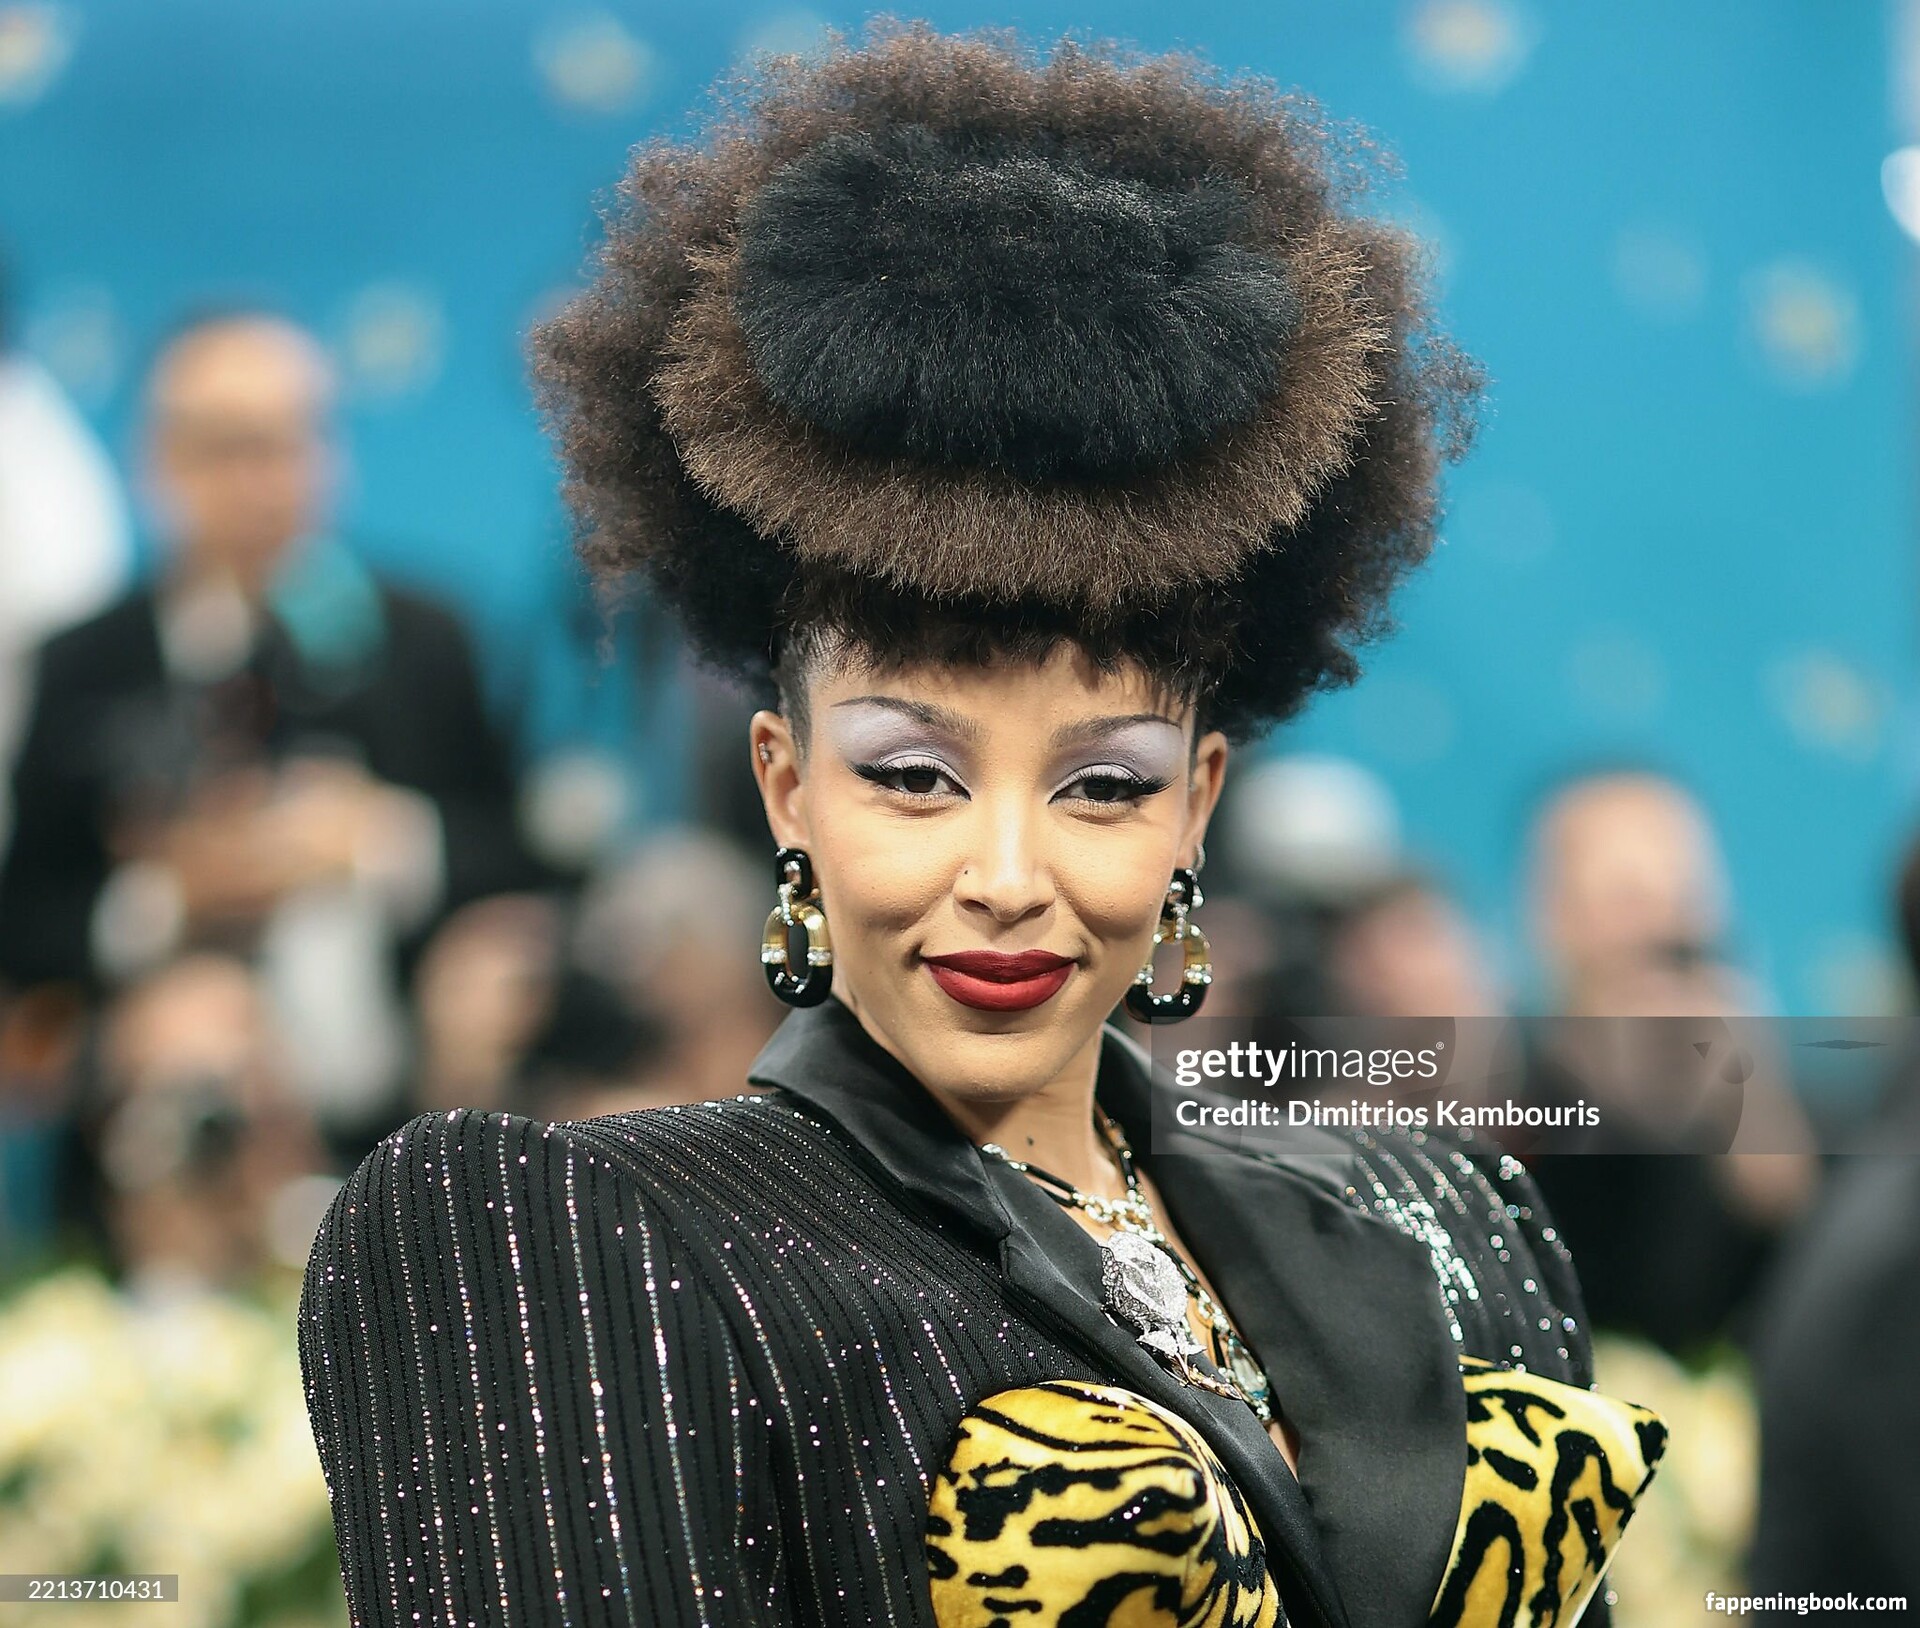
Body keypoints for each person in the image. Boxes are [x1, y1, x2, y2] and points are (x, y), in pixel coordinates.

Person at [298, 27, 1666, 1628]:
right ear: (786, 786)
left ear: (1199, 805)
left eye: (1104, 786)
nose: (1007, 879)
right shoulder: (573, 1250)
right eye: (913, 776)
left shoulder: (1443, 1217)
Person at [0, 312, 545, 1133]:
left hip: (399, 1085)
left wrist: (377, 844)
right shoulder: (86, 662)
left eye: (291, 443)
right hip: (168, 1095)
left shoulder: (423, 639)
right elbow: (27, 919)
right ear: (159, 461)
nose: (262, 483)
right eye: (228, 448)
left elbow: (520, 852)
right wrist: (166, 900)